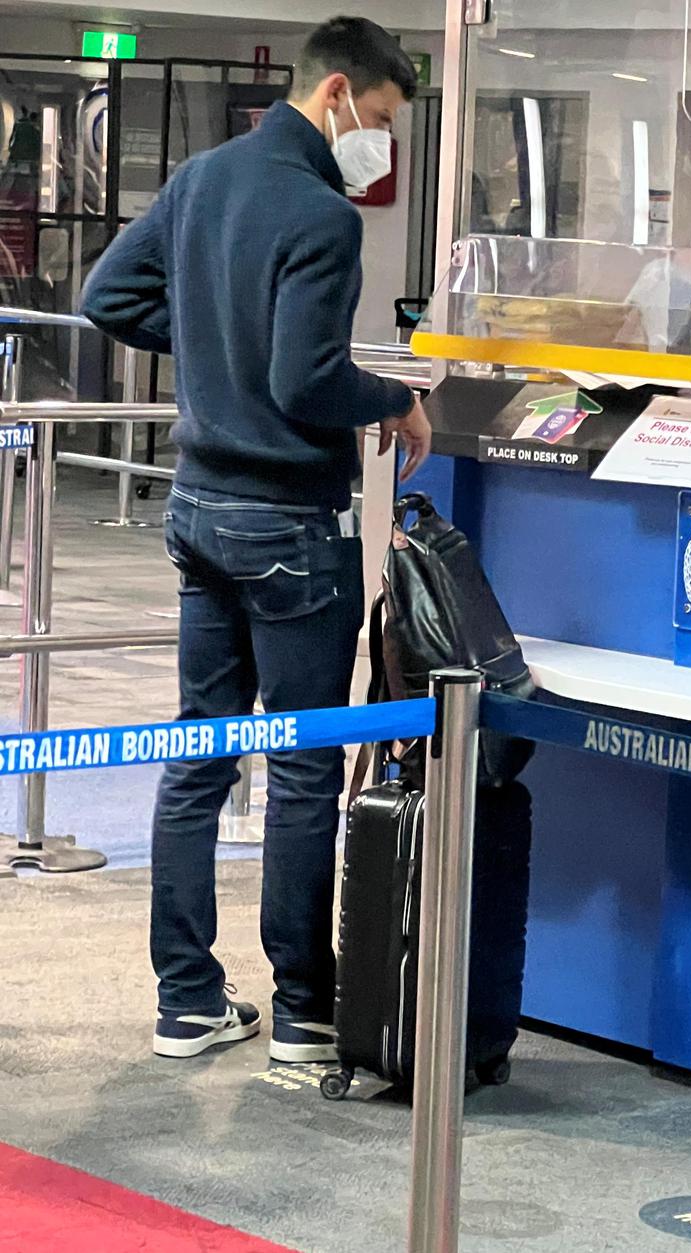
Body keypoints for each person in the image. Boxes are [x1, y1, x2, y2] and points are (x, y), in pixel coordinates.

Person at [81, 17, 432, 1063]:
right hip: (286, 525)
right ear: (335, 94)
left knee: (200, 749)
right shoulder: (323, 216)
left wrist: (210, 342)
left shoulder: (202, 177)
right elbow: (306, 382)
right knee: (305, 763)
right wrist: (396, 398)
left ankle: (185, 998)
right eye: (376, 119)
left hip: (195, 511)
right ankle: (301, 1008)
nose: (376, 141)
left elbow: (110, 296)